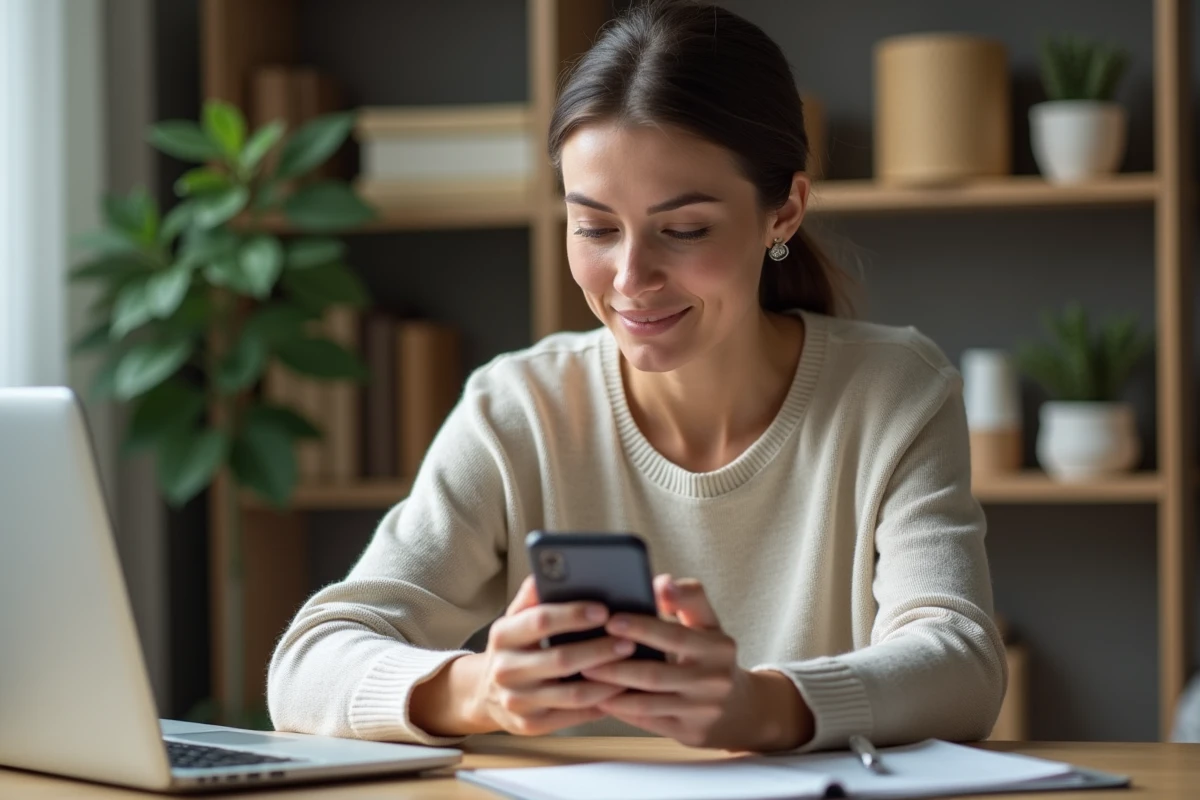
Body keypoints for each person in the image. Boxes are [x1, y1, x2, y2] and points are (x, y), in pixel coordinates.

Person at [268, 0, 1006, 754]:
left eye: (683, 231)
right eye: (593, 227)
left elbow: (962, 662)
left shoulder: (893, 391)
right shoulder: (518, 408)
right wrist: (480, 688)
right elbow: (306, 665)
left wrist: (762, 707)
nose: (630, 279)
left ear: (784, 211)